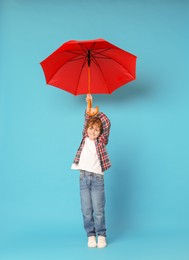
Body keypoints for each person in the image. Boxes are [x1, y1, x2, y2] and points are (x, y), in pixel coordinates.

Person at [71, 94, 111, 248]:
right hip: (83, 177)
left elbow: (107, 123)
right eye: (91, 128)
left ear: (100, 132)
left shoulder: (101, 141)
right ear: (86, 129)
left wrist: (97, 112)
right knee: (86, 209)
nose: (93, 131)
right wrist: (89, 104)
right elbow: (86, 118)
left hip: (97, 179)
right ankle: (90, 235)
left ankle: (101, 235)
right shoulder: (84, 138)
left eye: (96, 130)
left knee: (98, 209)